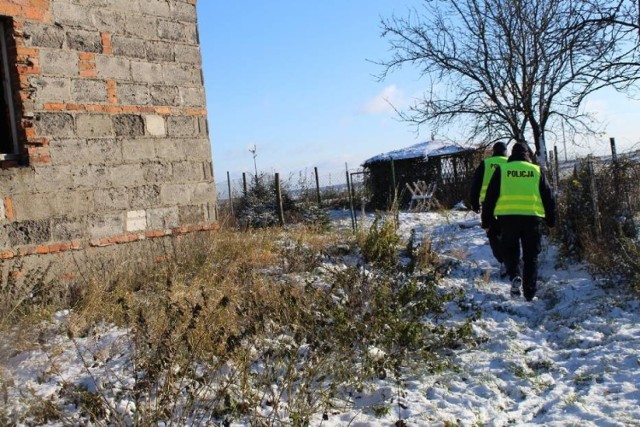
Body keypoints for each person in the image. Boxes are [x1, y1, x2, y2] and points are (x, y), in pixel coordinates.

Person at [481, 142, 556, 301]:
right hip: (532, 220)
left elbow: (490, 197)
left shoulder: (502, 170)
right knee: (531, 255)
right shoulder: (536, 170)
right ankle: (529, 292)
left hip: (508, 219)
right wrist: (551, 220)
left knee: (510, 251)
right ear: (527, 155)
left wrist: (486, 221)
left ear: (511, 155)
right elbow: (548, 197)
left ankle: (515, 276)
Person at [469, 142, 509, 276]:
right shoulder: (511, 163)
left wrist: (474, 203)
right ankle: (512, 261)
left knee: (493, 234)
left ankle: (503, 260)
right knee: (509, 234)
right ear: (506, 151)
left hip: (488, 205)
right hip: (509, 205)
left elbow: (476, 184)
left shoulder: (485, 164)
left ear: (493, 151)